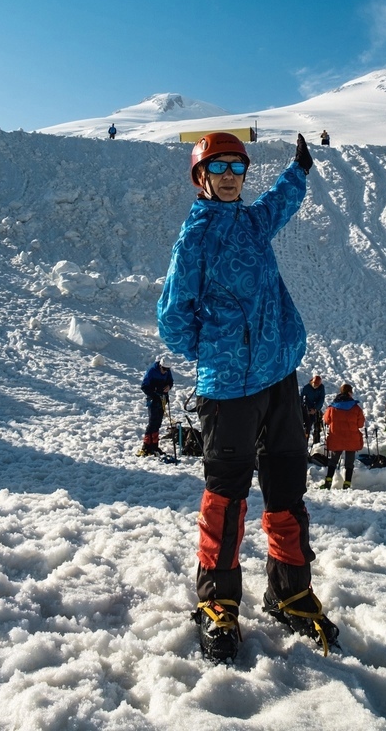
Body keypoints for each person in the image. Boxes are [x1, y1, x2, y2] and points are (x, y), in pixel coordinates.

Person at [157, 131, 338, 663]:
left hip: (279, 376)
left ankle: (291, 593)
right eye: (220, 167)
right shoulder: (195, 238)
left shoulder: (255, 222)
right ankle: (218, 602)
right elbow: (172, 318)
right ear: (202, 178)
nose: (232, 174)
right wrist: (217, 351)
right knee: (227, 495)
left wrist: (299, 169)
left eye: (238, 165)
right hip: (228, 387)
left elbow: (282, 202)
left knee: (286, 488)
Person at [321, 384, 364, 489]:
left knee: (333, 461)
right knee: (349, 463)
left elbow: (326, 420)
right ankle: (347, 484)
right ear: (349, 393)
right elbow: (361, 424)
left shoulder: (332, 407)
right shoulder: (356, 408)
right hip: (351, 438)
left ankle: (328, 482)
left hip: (336, 437)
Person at [138, 355, 173, 456]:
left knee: (158, 422)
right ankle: (146, 445)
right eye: (164, 369)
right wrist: (154, 395)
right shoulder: (152, 371)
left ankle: (154, 446)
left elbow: (170, 381)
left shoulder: (167, 371)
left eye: (167, 369)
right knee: (152, 422)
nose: (165, 371)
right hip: (153, 400)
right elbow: (144, 386)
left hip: (162, 399)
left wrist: (168, 386)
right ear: (160, 366)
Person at [300, 375, 325, 447]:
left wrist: (316, 409)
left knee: (317, 428)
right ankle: (304, 444)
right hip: (307, 409)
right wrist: (304, 409)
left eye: (317, 384)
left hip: (316, 409)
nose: (315, 386)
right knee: (306, 427)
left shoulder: (321, 388)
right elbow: (301, 398)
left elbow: (321, 399)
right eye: (314, 383)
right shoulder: (306, 387)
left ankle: (316, 444)